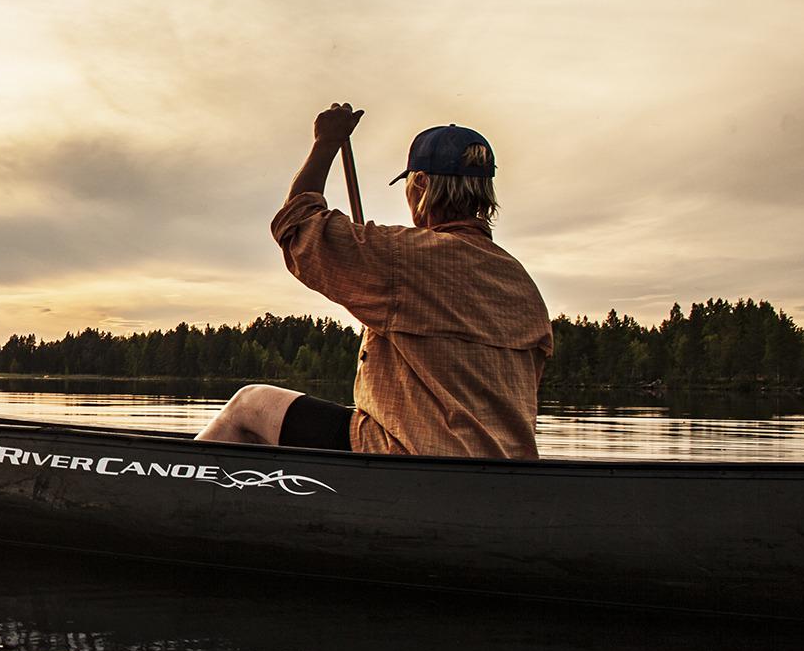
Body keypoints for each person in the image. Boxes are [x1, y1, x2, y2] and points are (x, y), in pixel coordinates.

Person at [195, 104, 552, 458]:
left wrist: (326, 143)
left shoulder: (406, 257)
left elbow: (297, 225)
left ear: (421, 184)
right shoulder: (519, 281)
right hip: (504, 469)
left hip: (408, 458)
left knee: (250, 404)